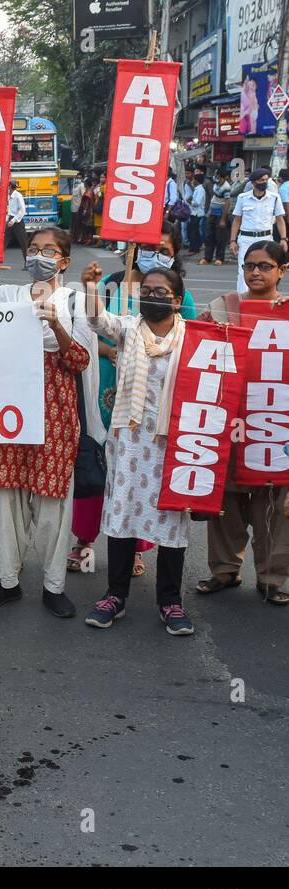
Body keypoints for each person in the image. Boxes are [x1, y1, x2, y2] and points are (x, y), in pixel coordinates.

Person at [0, 229, 91, 618]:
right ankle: (9, 581)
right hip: (9, 414)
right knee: (7, 499)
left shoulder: (75, 302)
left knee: (52, 505)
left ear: (64, 260)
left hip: (54, 415)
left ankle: (53, 586)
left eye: (49, 250)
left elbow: (79, 361)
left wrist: (57, 325)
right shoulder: (6, 296)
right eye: (35, 249)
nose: (39, 255)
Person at [69, 222, 197, 576]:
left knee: (149, 478)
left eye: (165, 250)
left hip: (161, 408)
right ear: (133, 250)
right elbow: (94, 324)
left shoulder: (180, 298)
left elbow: (193, 344)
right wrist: (112, 348)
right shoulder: (113, 285)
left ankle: (138, 547)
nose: (156, 255)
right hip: (111, 385)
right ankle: (86, 540)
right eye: (149, 247)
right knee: (98, 466)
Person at [80, 262, 195, 635]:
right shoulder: (130, 329)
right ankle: (115, 596)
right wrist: (92, 286)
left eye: (161, 292)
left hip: (173, 444)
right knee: (123, 514)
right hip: (129, 441)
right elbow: (98, 322)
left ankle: (170, 601)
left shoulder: (192, 338)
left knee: (170, 520)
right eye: (146, 291)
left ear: (177, 300)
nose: (152, 297)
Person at [194, 239, 289, 606]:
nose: (255, 272)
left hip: (273, 423)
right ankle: (224, 571)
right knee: (226, 503)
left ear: (282, 271)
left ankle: (272, 577)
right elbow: (196, 345)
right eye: (250, 265)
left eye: (265, 266)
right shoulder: (224, 307)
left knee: (273, 501)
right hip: (231, 421)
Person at [227, 168, 288, 294]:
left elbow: (280, 220)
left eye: (266, 180)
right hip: (246, 239)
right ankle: (243, 301)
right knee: (245, 269)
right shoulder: (243, 198)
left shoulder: (274, 198)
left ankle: (268, 297)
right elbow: (237, 221)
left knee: (269, 268)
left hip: (266, 238)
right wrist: (232, 241)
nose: (264, 183)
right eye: (261, 180)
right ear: (254, 182)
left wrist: (283, 238)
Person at [202, 167, 233, 265]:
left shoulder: (226, 187)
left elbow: (227, 204)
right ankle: (207, 257)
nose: (217, 178)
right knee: (209, 236)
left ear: (225, 177)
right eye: (217, 176)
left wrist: (223, 219)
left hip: (221, 213)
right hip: (213, 212)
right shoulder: (216, 184)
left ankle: (219, 258)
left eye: (219, 176)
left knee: (220, 238)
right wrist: (210, 211)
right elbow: (214, 198)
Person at [188, 171, 208, 255]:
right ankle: (196, 246)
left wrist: (190, 201)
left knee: (193, 231)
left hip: (197, 213)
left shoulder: (200, 190)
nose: (193, 181)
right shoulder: (197, 189)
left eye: (193, 179)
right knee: (194, 231)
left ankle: (194, 249)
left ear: (196, 180)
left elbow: (197, 203)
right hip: (194, 213)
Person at [6, 180, 27, 252]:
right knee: (3, 243)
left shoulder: (18, 196)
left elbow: (22, 210)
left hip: (17, 222)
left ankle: (28, 262)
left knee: (24, 244)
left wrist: (13, 220)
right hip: (9, 221)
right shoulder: (7, 196)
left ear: (10, 187)